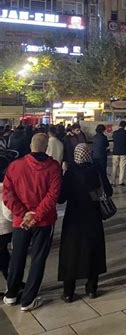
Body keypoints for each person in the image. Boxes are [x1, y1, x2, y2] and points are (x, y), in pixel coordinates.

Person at [2, 133, 61, 311]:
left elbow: (7, 194)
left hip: (21, 222)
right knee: (38, 258)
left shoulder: (15, 166)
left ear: (30, 146)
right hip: (44, 222)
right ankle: (28, 299)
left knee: (17, 256)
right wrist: (36, 215)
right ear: (46, 148)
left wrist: (24, 214)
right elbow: (53, 195)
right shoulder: (53, 167)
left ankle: (11, 293)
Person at [58, 143, 112, 302]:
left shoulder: (70, 173)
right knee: (93, 249)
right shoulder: (97, 170)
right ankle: (91, 288)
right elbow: (108, 191)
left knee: (71, 251)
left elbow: (61, 198)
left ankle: (69, 291)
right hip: (93, 216)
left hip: (73, 218)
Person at [111, 121, 126, 186]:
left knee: (114, 167)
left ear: (119, 125)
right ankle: (120, 182)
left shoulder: (115, 133)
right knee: (122, 167)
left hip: (115, 152)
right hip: (123, 152)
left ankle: (112, 182)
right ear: (125, 126)